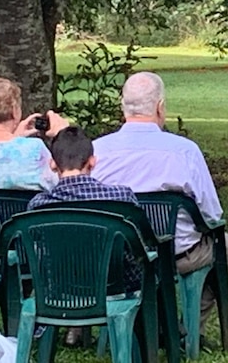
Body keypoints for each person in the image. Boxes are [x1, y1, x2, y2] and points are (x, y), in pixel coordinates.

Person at [91, 71, 228, 344]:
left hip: (117, 257)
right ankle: (190, 329)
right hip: (176, 255)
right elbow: (212, 214)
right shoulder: (185, 151)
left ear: (123, 108)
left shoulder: (96, 151)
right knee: (225, 246)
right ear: (160, 108)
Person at [27, 126, 139, 346]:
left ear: (52, 164)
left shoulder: (38, 206)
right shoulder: (121, 199)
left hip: (59, 290)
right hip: (118, 287)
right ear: (93, 161)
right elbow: (139, 241)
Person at [0, 77, 68, 190]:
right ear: (15, 111)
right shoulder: (34, 149)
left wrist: (16, 138)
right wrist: (65, 136)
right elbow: (61, 184)